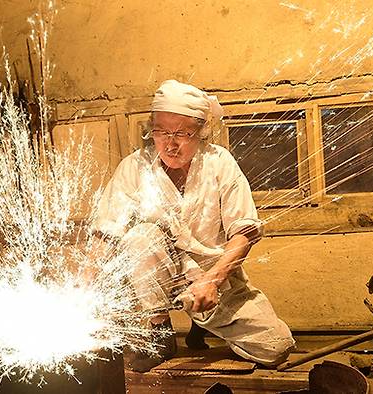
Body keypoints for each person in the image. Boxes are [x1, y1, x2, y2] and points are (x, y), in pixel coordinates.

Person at [91, 80, 295, 372]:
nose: (170, 143)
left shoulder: (220, 163)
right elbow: (106, 231)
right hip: (155, 278)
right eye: (161, 131)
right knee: (140, 236)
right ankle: (159, 330)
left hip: (213, 277)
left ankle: (207, 325)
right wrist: (83, 280)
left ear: (201, 133)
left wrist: (212, 279)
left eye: (182, 133)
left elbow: (244, 234)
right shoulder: (134, 167)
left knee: (275, 347)